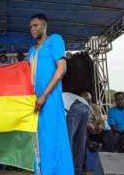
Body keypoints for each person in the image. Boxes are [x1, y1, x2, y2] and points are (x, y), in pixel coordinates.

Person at [27, 13, 74, 174]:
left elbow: (61, 69)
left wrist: (44, 95)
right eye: (31, 26)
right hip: (35, 103)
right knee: (40, 140)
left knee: (54, 138)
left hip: (50, 99)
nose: (32, 29)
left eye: (36, 25)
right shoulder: (32, 50)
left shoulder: (54, 40)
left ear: (45, 26)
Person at [63, 92, 89, 175]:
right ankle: (77, 171)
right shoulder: (64, 94)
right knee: (79, 141)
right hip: (86, 108)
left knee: (67, 140)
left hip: (74, 108)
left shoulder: (52, 98)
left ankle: (67, 170)